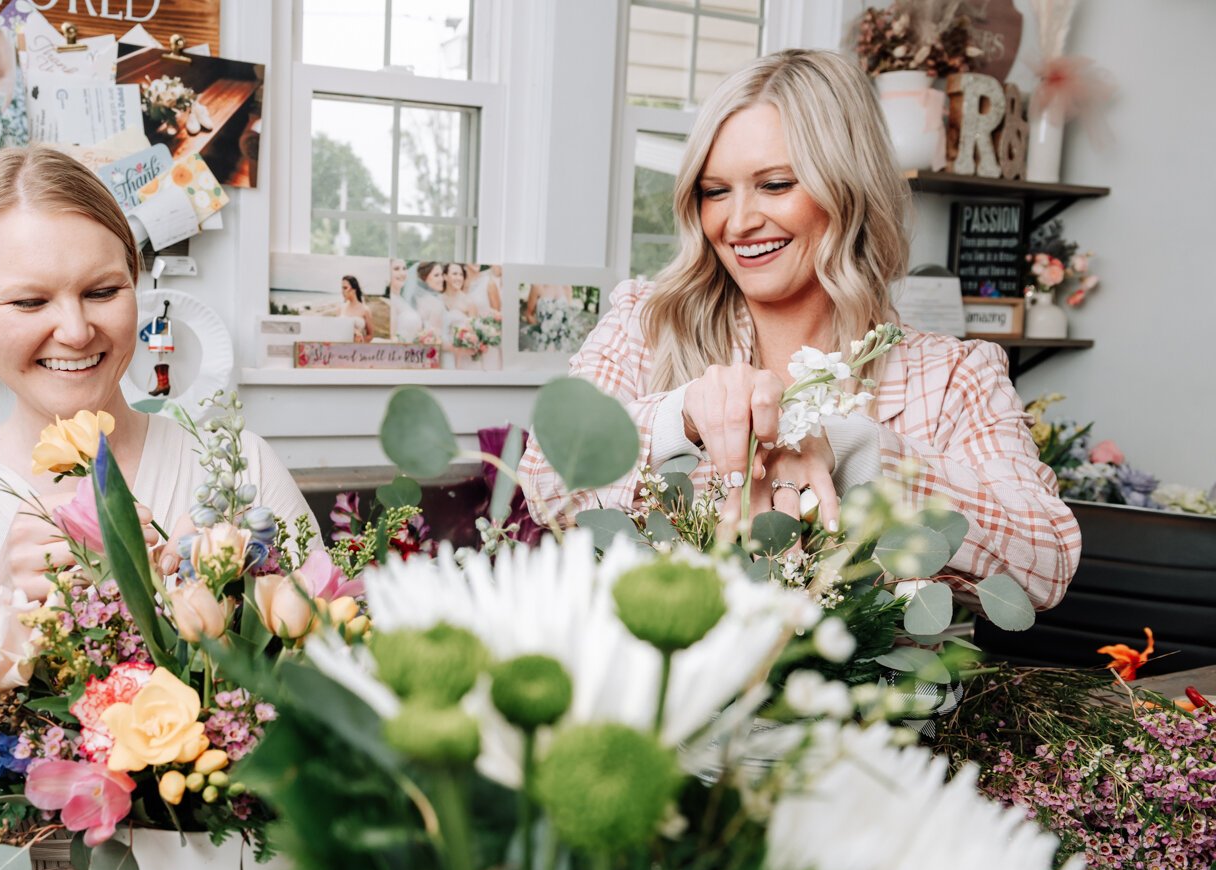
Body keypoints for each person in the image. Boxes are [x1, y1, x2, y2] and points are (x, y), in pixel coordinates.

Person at [0, 147, 317, 853]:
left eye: (102, 291)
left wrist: (230, 610)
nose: (74, 330)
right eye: (30, 301)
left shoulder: (233, 467)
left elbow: (346, 702)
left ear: (135, 282)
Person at [519, 49, 1078, 611]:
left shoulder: (954, 376)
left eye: (776, 184)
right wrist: (683, 414)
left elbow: (1044, 563)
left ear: (849, 189)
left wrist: (853, 448)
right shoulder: (648, 323)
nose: (737, 223)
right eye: (715, 191)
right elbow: (545, 483)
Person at [387, 260, 424, 342]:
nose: (402, 273)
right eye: (396, 269)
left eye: (404, 269)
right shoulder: (390, 301)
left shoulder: (402, 300)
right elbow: (392, 338)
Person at [335, 275, 374, 343]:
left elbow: (370, 335)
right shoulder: (340, 308)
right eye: (342, 288)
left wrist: (360, 341)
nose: (342, 291)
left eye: (345, 288)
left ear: (354, 289)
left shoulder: (365, 310)